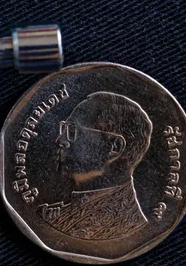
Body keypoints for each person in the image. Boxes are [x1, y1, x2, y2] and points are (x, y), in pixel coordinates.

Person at [37, 91, 152, 240]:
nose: (60, 140)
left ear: (114, 147)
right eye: (64, 129)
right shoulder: (54, 215)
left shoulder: (122, 226)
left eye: (72, 130)